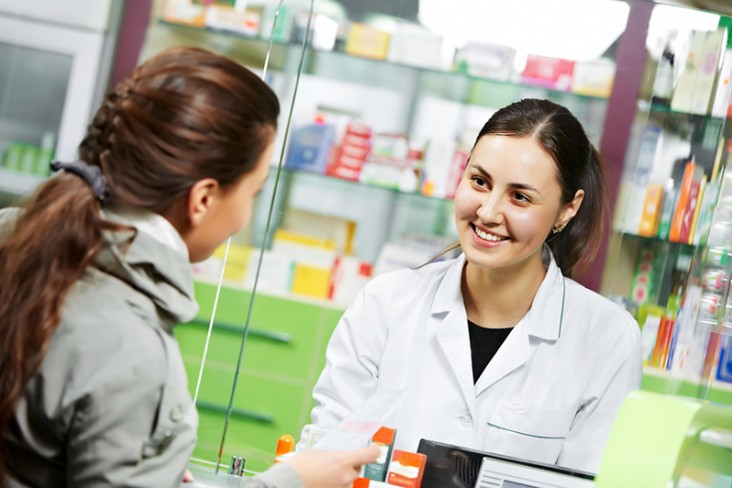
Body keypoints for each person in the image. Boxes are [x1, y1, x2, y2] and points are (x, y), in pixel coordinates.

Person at [0, 46, 377, 488]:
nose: (244, 217)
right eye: (253, 192)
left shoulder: (19, 237)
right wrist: (290, 482)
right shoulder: (133, 350)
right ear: (203, 199)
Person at [299, 98, 642, 474]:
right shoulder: (386, 303)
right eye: (479, 182)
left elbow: (594, 481)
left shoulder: (607, 338)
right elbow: (324, 460)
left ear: (567, 209)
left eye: (520, 197)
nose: (488, 212)